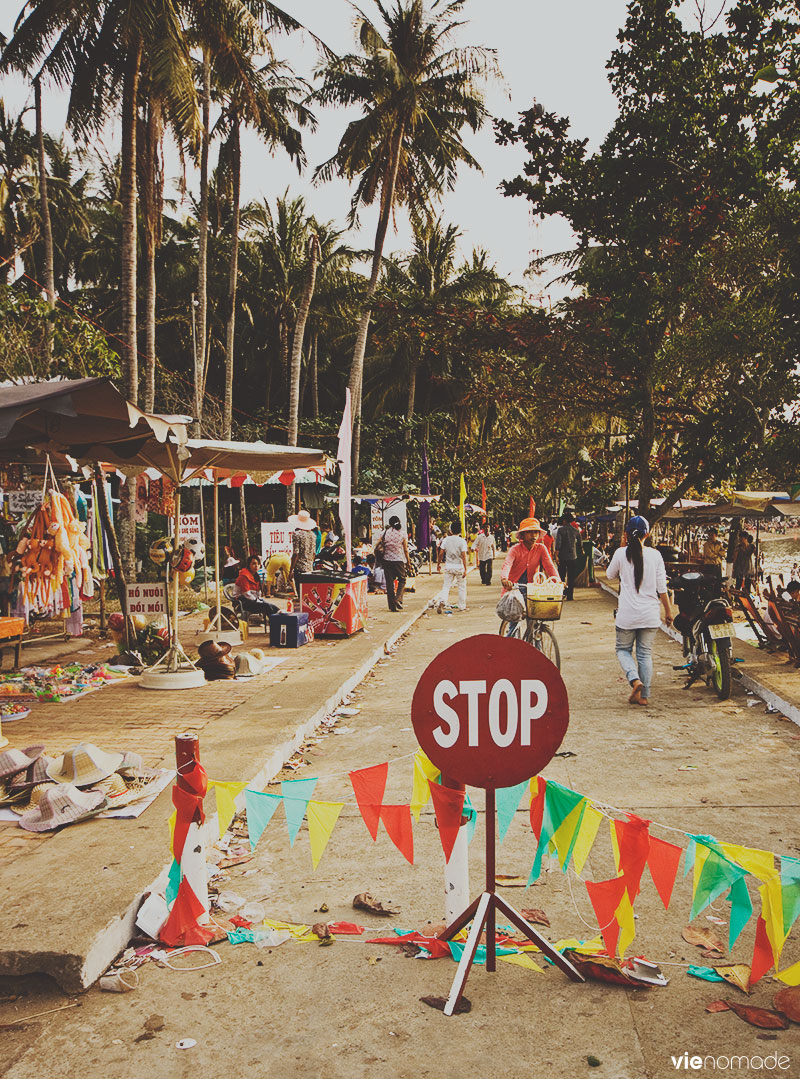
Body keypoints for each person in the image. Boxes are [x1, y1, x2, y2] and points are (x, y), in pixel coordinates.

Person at [606, 515, 673, 707]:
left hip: (627, 615)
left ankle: (635, 680)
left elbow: (610, 574)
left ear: (626, 534)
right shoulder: (656, 555)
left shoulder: (620, 553)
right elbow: (662, 588)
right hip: (650, 614)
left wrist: (621, 547)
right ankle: (643, 696)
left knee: (622, 650)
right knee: (644, 654)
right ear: (648, 534)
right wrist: (668, 612)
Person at [376, 515, 412, 611]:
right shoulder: (402, 534)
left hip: (386, 560)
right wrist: (408, 562)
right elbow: (405, 549)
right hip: (399, 560)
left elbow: (377, 545)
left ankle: (392, 606)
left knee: (389, 583)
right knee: (402, 579)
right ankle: (398, 598)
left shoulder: (384, 533)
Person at [436, 519, 468, 611]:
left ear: (451, 530)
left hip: (449, 566)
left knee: (446, 585)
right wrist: (465, 569)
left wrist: (438, 564)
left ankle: (442, 600)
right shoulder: (462, 541)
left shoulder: (446, 540)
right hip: (459, 567)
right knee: (462, 586)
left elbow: (441, 553)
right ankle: (462, 605)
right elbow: (464, 556)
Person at [234, 555, 280, 620]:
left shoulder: (256, 576)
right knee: (266, 606)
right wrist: (258, 601)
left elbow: (257, 593)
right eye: (253, 563)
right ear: (248, 565)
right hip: (243, 602)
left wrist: (260, 600)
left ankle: (280, 621)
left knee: (274, 607)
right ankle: (274, 623)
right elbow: (247, 594)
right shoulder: (244, 576)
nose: (256, 566)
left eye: (258, 564)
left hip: (252, 600)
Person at [289, 509, 317, 597]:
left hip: (300, 568)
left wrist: (291, 570)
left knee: (301, 594)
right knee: (308, 594)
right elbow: (313, 553)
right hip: (309, 568)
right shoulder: (313, 535)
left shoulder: (297, 534)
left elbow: (296, 553)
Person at [554, 512, 580, 600]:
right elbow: (580, 543)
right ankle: (570, 596)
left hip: (562, 557)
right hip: (573, 556)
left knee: (561, 576)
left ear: (564, 521)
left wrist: (556, 556)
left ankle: (561, 593)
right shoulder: (576, 530)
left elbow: (558, 544)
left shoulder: (561, 530)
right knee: (571, 577)